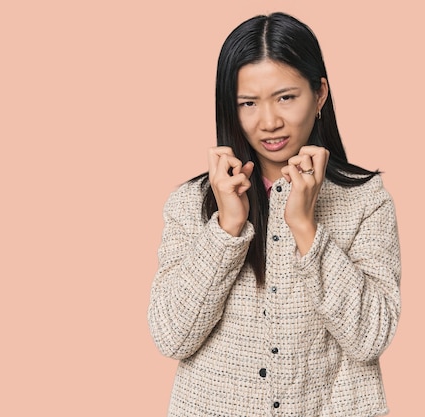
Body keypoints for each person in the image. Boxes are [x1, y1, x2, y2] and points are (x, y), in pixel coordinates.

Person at [148, 12, 401, 416]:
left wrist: (305, 227)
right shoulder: (190, 204)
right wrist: (227, 228)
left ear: (319, 95)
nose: (269, 122)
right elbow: (171, 337)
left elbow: (370, 336)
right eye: (248, 103)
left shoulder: (366, 201)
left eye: (286, 97)